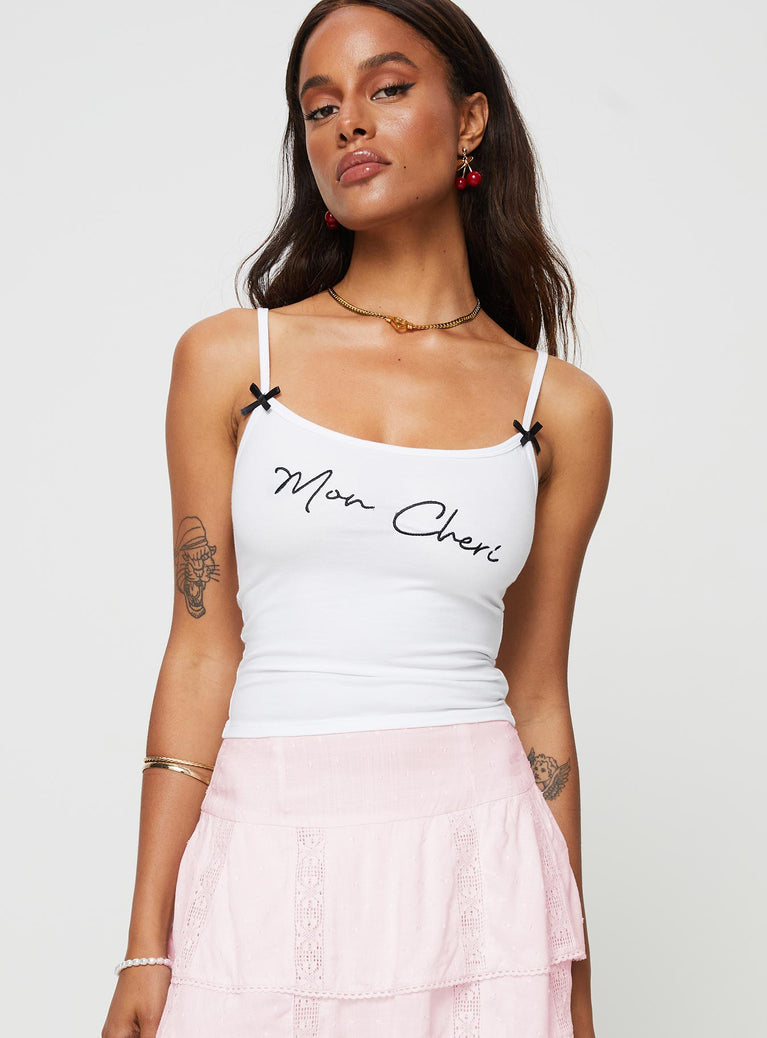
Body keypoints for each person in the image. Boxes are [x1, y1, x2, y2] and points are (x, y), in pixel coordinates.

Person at [101, 0, 612, 1035]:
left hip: (482, 867)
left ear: (470, 121)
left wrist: (572, 973)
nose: (350, 124)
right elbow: (200, 649)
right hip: (268, 837)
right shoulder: (232, 361)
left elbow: (537, 694)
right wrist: (147, 942)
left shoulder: (556, 407)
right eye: (320, 106)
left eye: (387, 89)